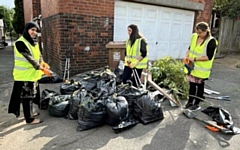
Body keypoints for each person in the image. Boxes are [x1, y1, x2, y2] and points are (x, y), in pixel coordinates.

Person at [8, 21, 52, 124]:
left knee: (32, 95)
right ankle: (29, 119)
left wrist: (42, 62)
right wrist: (42, 69)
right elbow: (29, 57)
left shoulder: (33, 42)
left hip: (32, 75)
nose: (34, 32)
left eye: (36, 30)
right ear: (27, 30)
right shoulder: (20, 42)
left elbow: (38, 54)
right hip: (24, 75)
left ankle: (30, 114)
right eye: (32, 30)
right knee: (27, 97)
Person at [184, 22, 218, 111]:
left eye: (201, 33)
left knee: (199, 86)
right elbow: (190, 47)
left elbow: (208, 57)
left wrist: (194, 59)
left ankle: (197, 104)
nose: (199, 34)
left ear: (206, 31)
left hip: (202, 69)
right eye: (197, 32)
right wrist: (187, 55)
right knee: (191, 85)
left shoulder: (211, 41)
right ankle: (189, 102)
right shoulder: (194, 36)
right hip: (191, 67)